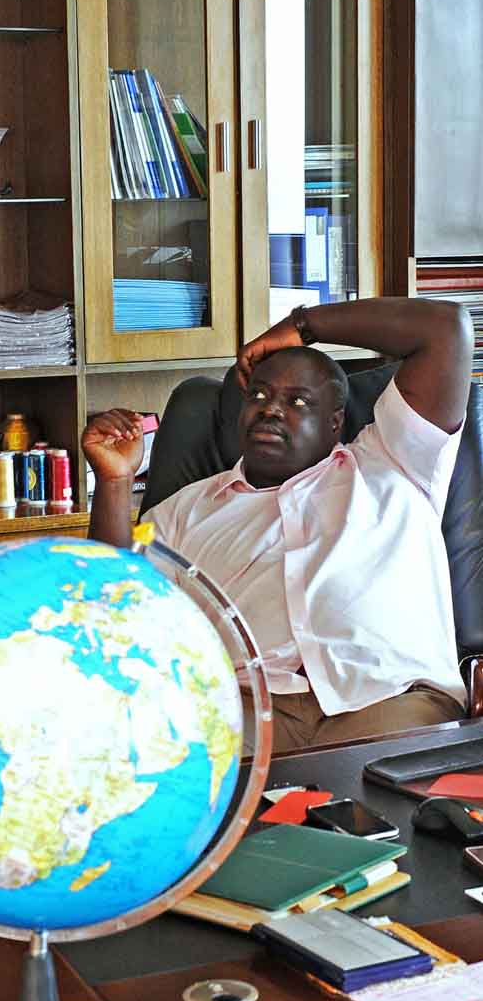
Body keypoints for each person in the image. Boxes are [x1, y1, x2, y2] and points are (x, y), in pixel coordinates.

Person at [82, 297, 474, 751]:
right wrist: (114, 480)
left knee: (383, 809)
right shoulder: (184, 512)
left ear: (334, 424)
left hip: (388, 701)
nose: (271, 409)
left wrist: (303, 325)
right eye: (260, 396)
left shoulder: (395, 463)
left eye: (298, 401)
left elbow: (446, 328)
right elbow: (112, 608)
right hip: (245, 711)